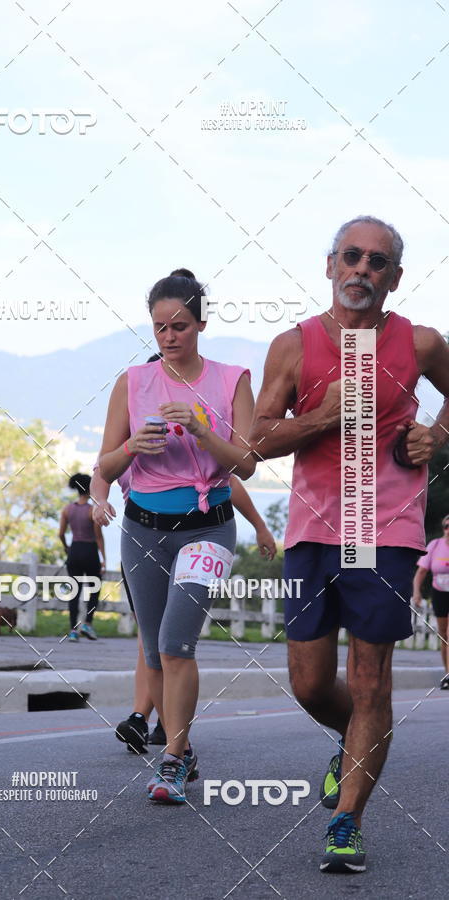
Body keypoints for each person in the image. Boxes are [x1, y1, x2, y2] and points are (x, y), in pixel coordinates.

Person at [249, 216, 449, 873]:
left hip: (385, 530)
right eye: (352, 257)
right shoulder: (293, 346)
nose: (363, 269)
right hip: (311, 529)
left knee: (371, 681)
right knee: (309, 684)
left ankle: (346, 821)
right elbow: (258, 440)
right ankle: (353, 739)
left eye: (378, 262)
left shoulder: (419, 343)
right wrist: (324, 415)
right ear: (330, 264)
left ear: (394, 278)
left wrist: (437, 435)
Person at [99, 267, 256, 804]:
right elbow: (105, 462)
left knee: (174, 643)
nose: (169, 336)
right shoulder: (132, 381)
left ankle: (171, 758)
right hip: (142, 529)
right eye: (160, 326)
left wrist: (199, 428)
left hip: (208, 527)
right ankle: (184, 752)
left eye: (181, 325)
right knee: (151, 648)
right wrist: (132, 449)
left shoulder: (232, 378)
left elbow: (248, 464)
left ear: (201, 323)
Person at [91, 459, 276, 755]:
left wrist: (260, 526)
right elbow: (101, 472)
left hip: (202, 534)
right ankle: (152, 720)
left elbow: (230, 483)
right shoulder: (126, 440)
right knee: (151, 641)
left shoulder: (189, 442)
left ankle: (167, 738)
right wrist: (99, 501)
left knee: (173, 641)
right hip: (144, 539)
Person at [59, 473, 105, 641]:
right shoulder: (93, 510)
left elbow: (61, 534)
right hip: (90, 551)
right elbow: (98, 537)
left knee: (74, 592)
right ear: (89, 488)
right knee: (94, 589)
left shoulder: (67, 509)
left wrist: (67, 548)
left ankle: (73, 630)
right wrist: (104, 558)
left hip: (75, 551)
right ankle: (87, 624)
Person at [412, 513, 449, 689]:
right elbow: (421, 572)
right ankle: (447, 672)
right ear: (443, 529)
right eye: (446, 526)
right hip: (439, 593)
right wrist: (417, 592)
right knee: (444, 636)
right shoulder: (435, 545)